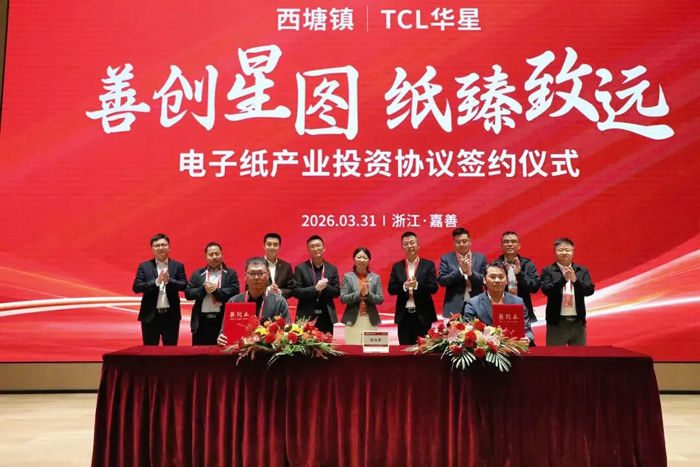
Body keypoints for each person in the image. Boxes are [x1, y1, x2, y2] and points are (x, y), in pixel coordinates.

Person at [217, 257, 289, 346]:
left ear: (267, 275)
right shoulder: (234, 301)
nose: (256, 277)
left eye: (260, 273)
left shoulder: (279, 302)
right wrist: (221, 338)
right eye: (251, 273)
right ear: (245, 276)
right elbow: (223, 332)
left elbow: (286, 332)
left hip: (269, 352)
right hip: (239, 351)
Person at [132, 233, 187, 346]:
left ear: (169, 247)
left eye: (164, 245)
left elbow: (185, 285)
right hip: (150, 316)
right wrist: (156, 282)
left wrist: (170, 281)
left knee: (170, 350)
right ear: (152, 249)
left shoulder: (177, 266)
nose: (161, 248)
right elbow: (136, 287)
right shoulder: (144, 266)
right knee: (150, 351)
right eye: (157, 245)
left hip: (171, 316)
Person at [540, 238, 595, 346]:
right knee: (555, 355)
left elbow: (589, 290)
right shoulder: (548, 271)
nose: (564, 253)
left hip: (578, 323)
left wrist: (575, 281)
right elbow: (546, 290)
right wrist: (563, 279)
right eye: (561, 250)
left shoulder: (581, 270)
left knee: (579, 355)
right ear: (554, 252)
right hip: (556, 324)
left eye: (568, 250)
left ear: (573, 252)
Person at [463, 261, 535, 344]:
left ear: (506, 280)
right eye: (492, 277)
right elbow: (468, 332)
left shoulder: (517, 301)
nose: (497, 280)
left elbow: (527, 330)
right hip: (486, 349)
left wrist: (527, 338)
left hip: (514, 348)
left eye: (501, 277)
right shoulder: (473, 303)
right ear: (484, 280)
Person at [388, 231, 439, 345]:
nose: (409, 246)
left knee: (424, 350)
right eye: (406, 244)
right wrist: (404, 286)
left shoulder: (428, 265)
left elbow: (434, 287)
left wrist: (416, 285)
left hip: (423, 316)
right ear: (402, 247)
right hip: (404, 316)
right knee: (404, 350)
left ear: (418, 244)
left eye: (412, 243)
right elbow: (391, 289)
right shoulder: (397, 266)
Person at [185, 242, 240, 345]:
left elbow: (234, 292)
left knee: (221, 353)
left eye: (217, 254)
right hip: (201, 322)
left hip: (221, 321)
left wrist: (216, 291)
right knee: (199, 353)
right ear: (205, 257)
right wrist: (203, 289)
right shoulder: (198, 274)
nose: (214, 257)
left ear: (222, 255)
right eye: (211, 254)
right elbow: (188, 294)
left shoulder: (230, 273)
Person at [292, 235, 340, 335]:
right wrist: (315, 288)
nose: (316, 248)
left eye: (318, 245)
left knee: (327, 342)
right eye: (312, 246)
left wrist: (326, 287)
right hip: (306, 315)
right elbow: (296, 292)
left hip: (326, 315)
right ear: (308, 250)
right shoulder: (300, 268)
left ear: (323, 248)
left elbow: (337, 292)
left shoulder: (332, 268)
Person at [438, 227, 487, 318]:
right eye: (458, 242)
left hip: (477, 303)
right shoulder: (446, 259)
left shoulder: (480, 258)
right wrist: (460, 271)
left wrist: (470, 273)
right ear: (453, 243)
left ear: (470, 241)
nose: (461, 244)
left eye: (464, 241)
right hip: (454, 305)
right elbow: (442, 281)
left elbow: (486, 280)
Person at [340, 247, 384, 345]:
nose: (362, 260)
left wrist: (368, 294)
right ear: (354, 259)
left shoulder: (375, 277)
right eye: (359, 257)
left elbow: (380, 299)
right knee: (352, 351)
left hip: (370, 319)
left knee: (370, 350)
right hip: (352, 320)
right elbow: (343, 298)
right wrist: (359, 293)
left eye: (365, 258)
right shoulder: (347, 277)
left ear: (369, 260)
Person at [494, 231, 540, 323]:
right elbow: (489, 289)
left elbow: (534, 287)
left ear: (519, 246)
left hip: (524, 311)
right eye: (506, 242)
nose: (510, 244)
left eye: (513, 241)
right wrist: (503, 276)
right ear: (501, 246)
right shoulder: (494, 265)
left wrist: (519, 274)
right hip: (501, 311)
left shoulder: (527, 264)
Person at [262, 233, 294, 299]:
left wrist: (279, 292)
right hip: (261, 303)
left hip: (280, 303)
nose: (272, 247)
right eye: (269, 244)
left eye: (275, 245)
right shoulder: (255, 265)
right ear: (264, 246)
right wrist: (268, 289)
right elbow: (249, 288)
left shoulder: (286, 266)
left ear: (279, 247)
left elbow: (292, 289)